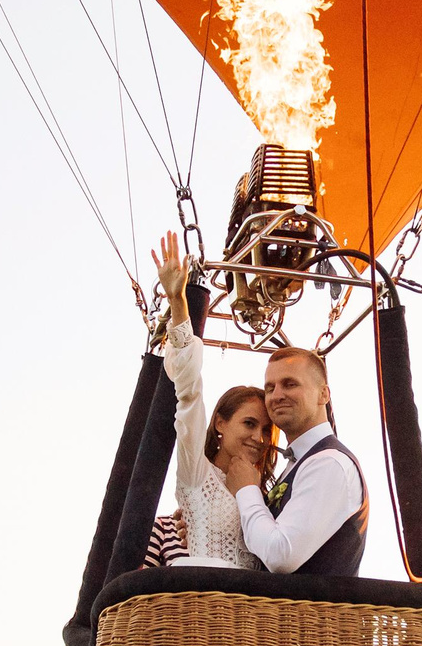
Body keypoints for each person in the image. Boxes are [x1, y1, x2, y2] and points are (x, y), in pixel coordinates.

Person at [147, 233, 273, 569]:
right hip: (205, 601)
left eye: (265, 429)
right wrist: (178, 301)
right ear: (220, 423)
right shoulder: (197, 475)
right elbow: (189, 391)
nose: (259, 437)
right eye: (249, 423)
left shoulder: (264, 492)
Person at [223, 345, 368, 577]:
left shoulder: (329, 464)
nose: (277, 396)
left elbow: (280, 555)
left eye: (290, 384)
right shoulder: (298, 463)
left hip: (311, 603)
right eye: (270, 388)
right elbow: (261, 542)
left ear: (323, 394)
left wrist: (247, 490)